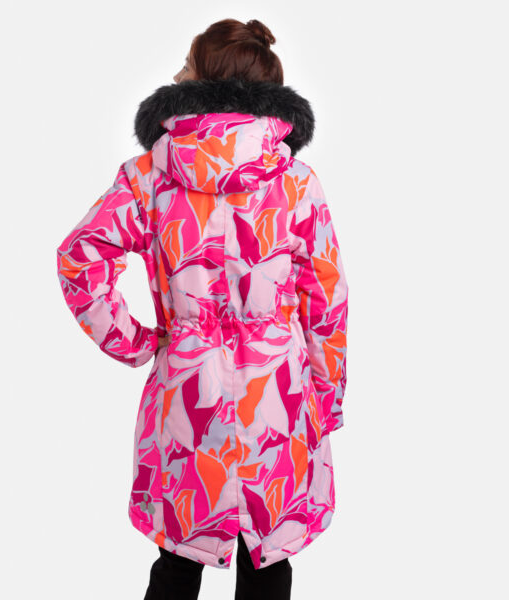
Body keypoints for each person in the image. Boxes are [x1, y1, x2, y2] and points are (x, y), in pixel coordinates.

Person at [56, 18, 349, 600]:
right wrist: (326, 395)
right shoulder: (295, 182)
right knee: (268, 561)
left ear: (207, 81)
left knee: (178, 558)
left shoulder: (148, 177)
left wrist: (137, 342)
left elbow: (80, 259)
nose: (175, 75)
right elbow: (326, 300)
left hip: (189, 395)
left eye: (186, 66)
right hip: (278, 396)